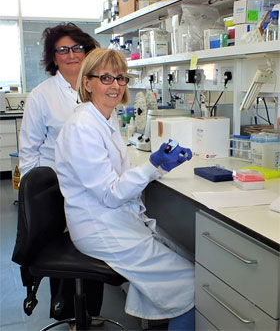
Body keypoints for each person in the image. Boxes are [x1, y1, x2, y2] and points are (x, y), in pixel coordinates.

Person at [55, 48, 195, 330]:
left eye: (120, 78)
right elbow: (110, 193)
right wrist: (153, 166)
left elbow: (114, 179)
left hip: (113, 218)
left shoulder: (105, 118)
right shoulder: (83, 126)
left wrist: (158, 167)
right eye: (105, 78)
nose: (116, 85)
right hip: (99, 227)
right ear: (88, 83)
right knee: (190, 282)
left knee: (183, 258)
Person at [18, 22, 103, 329]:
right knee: (64, 250)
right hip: (56, 187)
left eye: (77, 48)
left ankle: (90, 310)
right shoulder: (42, 96)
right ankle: (67, 312)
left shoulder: (97, 87)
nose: (71, 55)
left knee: (92, 245)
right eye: (62, 50)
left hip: (92, 183)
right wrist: (34, 197)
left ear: (87, 52)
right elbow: (28, 149)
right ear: (53, 57)